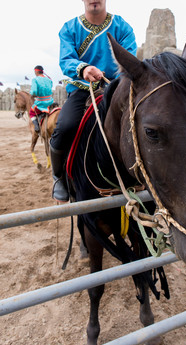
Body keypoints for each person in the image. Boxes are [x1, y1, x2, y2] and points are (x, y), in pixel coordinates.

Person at [50, 0, 137, 202]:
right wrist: (84, 69)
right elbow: (66, 60)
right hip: (81, 90)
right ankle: (58, 177)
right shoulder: (69, 28)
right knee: (65, 126)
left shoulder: (122, 27)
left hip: (114, 89)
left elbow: (129, 57)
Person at [29, 66, 54, 133]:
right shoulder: (49, 80)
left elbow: (34, 91)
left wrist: (32, 93)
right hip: (50, 101)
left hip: (41, 103)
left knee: (31, 112)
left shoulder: (35, 79)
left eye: (35, 72)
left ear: (36, 71)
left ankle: (36, 127)